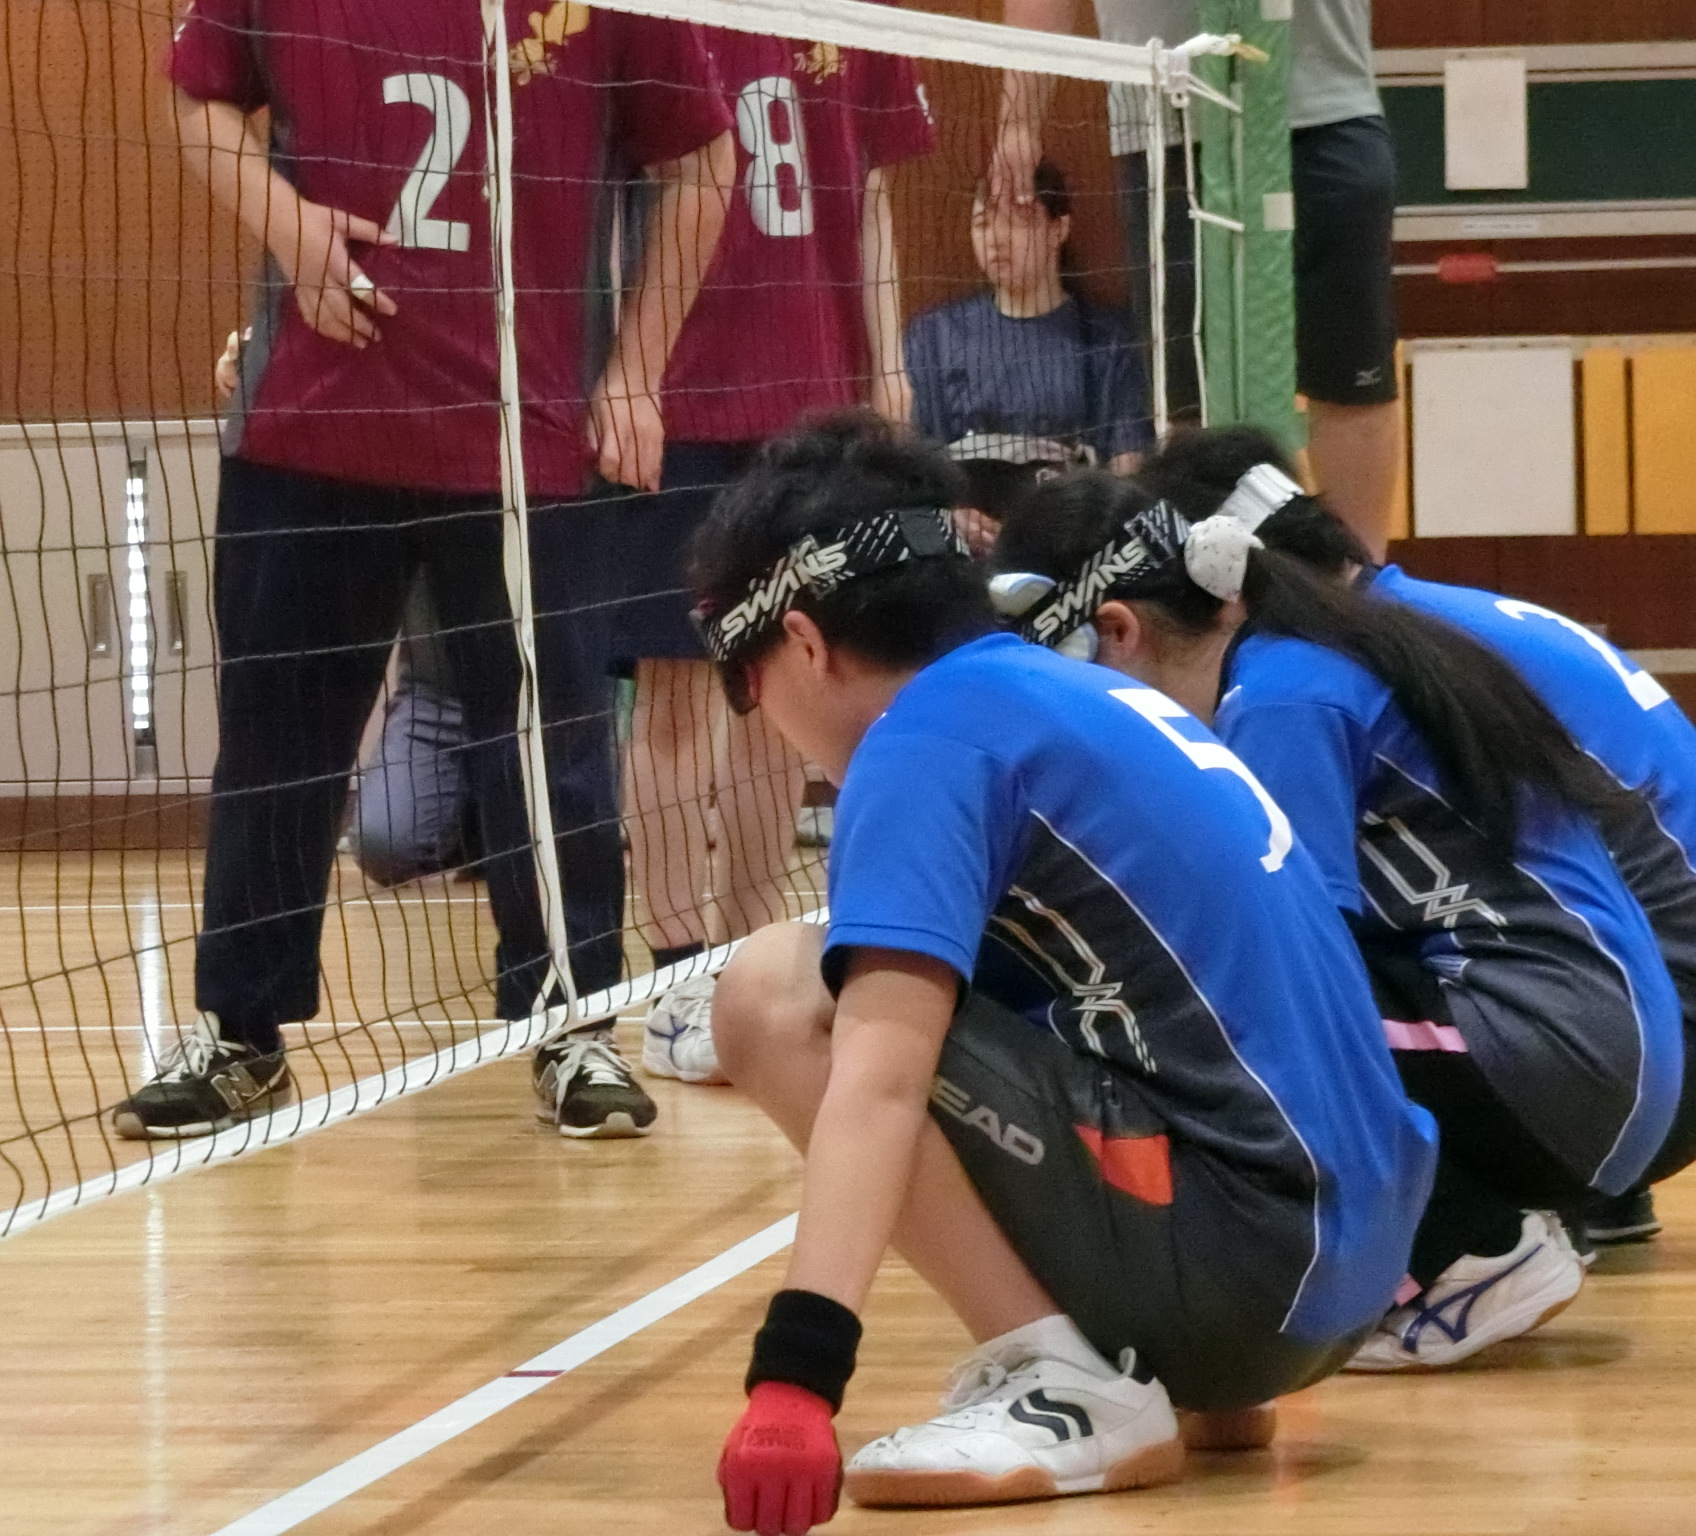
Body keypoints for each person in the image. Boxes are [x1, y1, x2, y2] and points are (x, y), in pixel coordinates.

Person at [693, 413, 1436, 1531]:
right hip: (1350, 1268)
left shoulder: (926, 739)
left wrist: (795, 1379)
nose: (763, 726)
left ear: (800, 641)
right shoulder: (1063, 690)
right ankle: (1192, 1384)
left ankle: (1064, 1385)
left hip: (1252, 1269)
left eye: (742, 687)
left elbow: (880, 1085)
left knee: (769, 993)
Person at [111, 0, 734, 1143]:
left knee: (549, 744)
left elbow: (702, 156)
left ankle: (571, 1025)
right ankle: (241, 1033)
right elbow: (197, 100)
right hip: (307, 424)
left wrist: (636, 371)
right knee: (276, 741)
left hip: (521, 438)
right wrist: (291, 229)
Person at [995, 468, 1684, 1372]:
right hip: (1597, 1046)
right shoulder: (1304, 654)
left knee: (1183, 1019)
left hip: (1570, 1057)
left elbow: (1287, 948)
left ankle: (1466, 1253)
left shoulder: (1281, 697)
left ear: (1117, 631)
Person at [1140, 426, 1696, 1248]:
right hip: (1650, 1032)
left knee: (1268, 979)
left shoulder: (1307, 678)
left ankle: (1461, 1239)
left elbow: (1298, 937)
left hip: (1651, 1038)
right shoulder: (1420, 619)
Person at [613, 31, 934, 1088]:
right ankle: (672, 977)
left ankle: (752, 960)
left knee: (778, 688)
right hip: (679, 387)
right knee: (668, 685)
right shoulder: (659, 17)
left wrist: (884, 362)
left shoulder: (856, 19)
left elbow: (873, 196)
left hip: (809, 393)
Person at [996, 0, 1402, 558]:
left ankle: (1363, 585)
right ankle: (1203, 586)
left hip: (1323, 111)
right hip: (1167, 125)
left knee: (1352, 379)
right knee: (1189, 397)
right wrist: (1018, 122)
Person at [216, 326, 476, 889]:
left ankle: (501, 824)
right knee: (381, 843)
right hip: (437, 694)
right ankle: (469, 822)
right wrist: (264, 351)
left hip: (533, 687)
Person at [906, 165, 1151, 475]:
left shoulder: (1107, 340)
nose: (996, 238)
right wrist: (957, 511)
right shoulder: (935, 336)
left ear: (1058, 229)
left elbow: (1128, 463)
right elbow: (918, 465)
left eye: (1017, 221)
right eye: (983, 224)